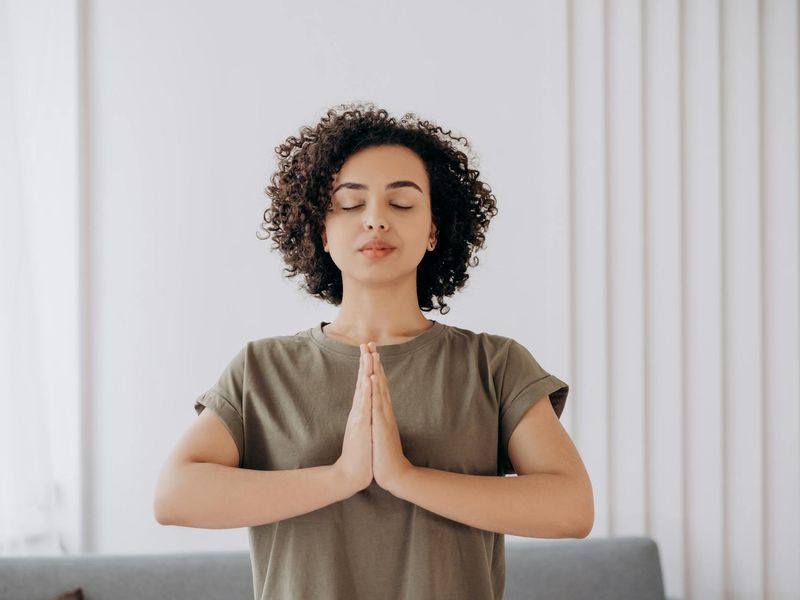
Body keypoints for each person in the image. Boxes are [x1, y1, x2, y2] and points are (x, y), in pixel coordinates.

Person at [154, 102, 593, 600]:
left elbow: (571, 508)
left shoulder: (494, 365)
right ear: (322, 228)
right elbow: (174, 497)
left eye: (401, 204)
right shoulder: (263, 369)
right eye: (351, 203)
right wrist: (342, 477)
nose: (376, 220)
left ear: (433, 231)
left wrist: (404, 477)